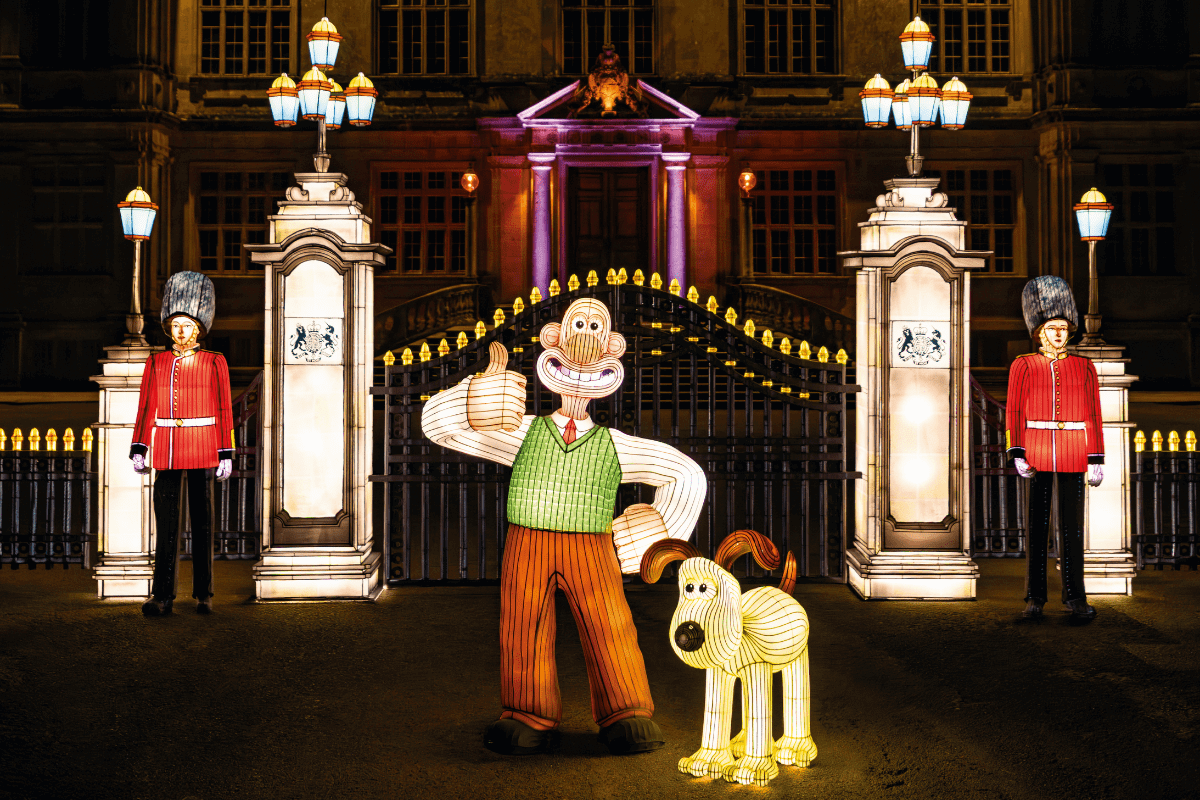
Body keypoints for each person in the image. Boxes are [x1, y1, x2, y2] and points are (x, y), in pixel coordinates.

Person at [422, 297, 706, 756]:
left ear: (612, 351)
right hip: (527, 544)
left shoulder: (617, 444)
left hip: (593, 547)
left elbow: (685, 474)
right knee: (523, 623)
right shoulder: (521, 431)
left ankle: (627, 711)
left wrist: (656, 533)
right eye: (577, 324)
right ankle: (526, 713)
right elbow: (437, 427)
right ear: (552, 341)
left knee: (609, 623)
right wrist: (473, 398)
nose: (584, 340)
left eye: (596, 328)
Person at [131, 271, 234, 617]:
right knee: (167, 528)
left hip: (203, 446)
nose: (181, 331)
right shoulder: (156, 363)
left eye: (187, 325)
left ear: (199, 329)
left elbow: (223, 409)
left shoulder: (214, 361)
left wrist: (225, 452)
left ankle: (203, 592)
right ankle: (162, 596)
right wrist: (140, 446)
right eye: (175, 324)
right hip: (167, 449)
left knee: (203, 523)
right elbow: (146, 407)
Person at [1005, 276, 1103, 621]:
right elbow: (1014, 410)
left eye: (1063, 327)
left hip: (1075, 451)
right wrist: (1016, 451)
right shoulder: (1024, 365)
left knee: (1072, 531)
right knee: (1037, 529)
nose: (1059, 333)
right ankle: (1035, 598)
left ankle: (1075, 598)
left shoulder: (1084, 366)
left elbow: (1093, 414)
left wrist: (1096, 458)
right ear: (1039, 332)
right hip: (1037, 451)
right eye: (1051, 327)